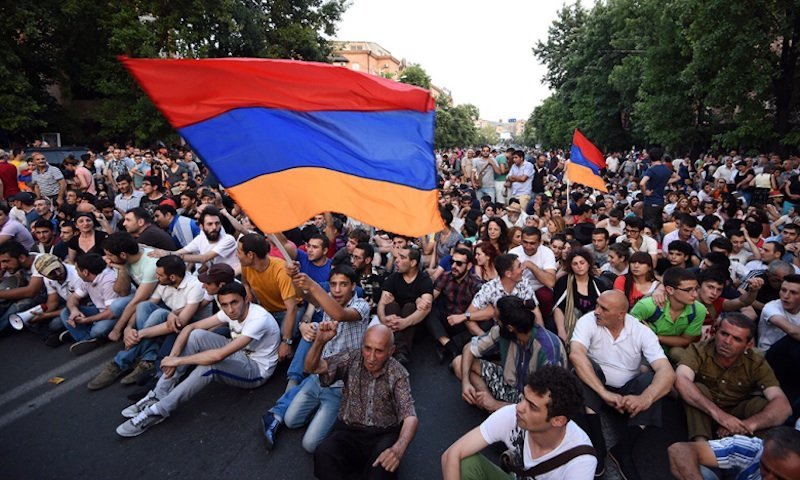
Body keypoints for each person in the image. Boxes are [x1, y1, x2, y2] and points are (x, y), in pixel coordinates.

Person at [116, 282, 280, 437]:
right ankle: (158, 394)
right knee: (195, 336)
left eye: (234, 303)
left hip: (257, 369)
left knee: (209, 368)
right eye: (224, 305)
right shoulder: (229, 311)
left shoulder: (258, 319)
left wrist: (179, 361)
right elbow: (190, 327)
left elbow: (218, 356)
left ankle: (159, 411)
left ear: (246, 299)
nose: (230, 309)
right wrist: (172, 357)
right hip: (240, 353)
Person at [260, 265, 371, 453]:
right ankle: (319, 411)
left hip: (340, 385)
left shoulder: (361, 305)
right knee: (291, 421)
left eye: (343, 284)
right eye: (333, 284)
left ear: (353, 286)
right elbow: (305, 296)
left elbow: (340, 314)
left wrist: (312, 285)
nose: (336, 290)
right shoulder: (327, 299)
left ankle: (341, 413)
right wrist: (295, 279)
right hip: (318, 377)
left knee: (310, 445)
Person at [570, 290, 676, 479]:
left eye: (603, 308)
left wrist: (646, 398)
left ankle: (623, 451)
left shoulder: (641, 331)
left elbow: (666, 370)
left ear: (621, 314)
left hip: (628, 390)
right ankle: (597, 445)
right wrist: (604, 393)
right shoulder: (588, 321)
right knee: (581, 369)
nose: (596, 311)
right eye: (597, 305)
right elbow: (576, 353)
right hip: (597, 385)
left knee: (653, 382)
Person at [441, 365, 596, 480]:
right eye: (524, 398)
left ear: (558, 420)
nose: (520, 407)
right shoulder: (512, 415)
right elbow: (451, 454)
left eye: (532, 407)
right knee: (464, 462)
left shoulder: (580, 462)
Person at [309, 323, 418, 480]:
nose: (371, 358)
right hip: (349, 430)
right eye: (367, 349)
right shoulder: (352, 358)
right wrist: (319, 342)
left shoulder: (398, 373)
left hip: (382, 434)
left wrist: (398, 450)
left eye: (379, 351)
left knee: (382, 468)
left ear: (391, 351)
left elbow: (410, 416)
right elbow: (313, 367)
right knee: (324, 453)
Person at [675, 313, 792, 441]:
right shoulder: (699, 350)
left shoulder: (756, 362)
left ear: (748, 345)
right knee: (695, 389)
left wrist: (746, 425)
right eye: (724, 334)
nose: (727, 342)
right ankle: (701, 446)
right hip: (704, 412)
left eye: (736, 339)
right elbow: (682, 380)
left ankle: (750, 450)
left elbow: (783, 406)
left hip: (737, 414)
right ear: (716, 332)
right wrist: (721, 416)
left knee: (762, 404)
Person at [454, 295, 566, 413]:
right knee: (459, 363)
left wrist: (497, 405)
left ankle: (497, 409)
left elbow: (549, 399)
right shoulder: (504, 331)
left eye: (497, 320)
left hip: (533, 398)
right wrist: (466, 383)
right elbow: (469, 348)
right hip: (511, 384)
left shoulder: (548, 350)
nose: (495, 322)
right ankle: (490, 404)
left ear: (510, 328)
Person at [237, 232, 301, 362]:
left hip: (289, 310)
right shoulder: (246, 266)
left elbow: (291, 309)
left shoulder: (280, 270)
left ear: (250, 255)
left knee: (283, 343)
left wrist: (286, 342)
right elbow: (244, 281)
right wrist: (248, 291)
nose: (236, 255)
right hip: (267, 311)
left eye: (239, 252)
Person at [630, 267, 707, 363]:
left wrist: (655, 336)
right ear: (670, 290)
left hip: (672, 351)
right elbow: (627, 332)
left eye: (696, 289)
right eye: (688, 290)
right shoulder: (648, 306)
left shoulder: (699, 310)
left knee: (678, 353)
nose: (695, 294)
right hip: (643, 349)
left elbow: (687, 340)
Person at [668, 426, 800, 480]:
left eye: (780, 478)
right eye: (765, 468)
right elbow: (679, 450)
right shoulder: (755, 449)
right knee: (696, 471)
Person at [457, 253, 542, 337]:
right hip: (498, 335)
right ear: (508, 274)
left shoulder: (524, 283)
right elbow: (468, 315)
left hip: (522, 333)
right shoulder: (489, 289)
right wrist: (483, 337)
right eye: (519, 266)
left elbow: (536, 312)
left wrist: (542, 336)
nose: (523, 268)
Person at [377, 246, 434, 365]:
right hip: (393, 323)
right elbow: (382, 303)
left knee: (410, 307)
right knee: (391, 306)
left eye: (402, 257)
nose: (397, 260)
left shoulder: (424, 280)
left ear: (413, 262)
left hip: (415, 327)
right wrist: (383, 319)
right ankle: (401, 352)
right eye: (397, 256)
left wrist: (405, 322)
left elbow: (426, 309)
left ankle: (398, 351)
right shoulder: (393, 278)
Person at [427, 247, 483, 364]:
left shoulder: (475, 283)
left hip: (463, 322)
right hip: (447, 319)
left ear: (468, 266)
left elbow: (481, 310)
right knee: (428, 309)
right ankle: (449, 345)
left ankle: (448, 345)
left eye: (459, 264)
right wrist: (422, 300)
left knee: (483, 323)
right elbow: (433, 296)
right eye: (452, 262)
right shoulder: (446, 276)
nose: (453, 266)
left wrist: (464, 317)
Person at [60, 253, 121, 355]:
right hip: (100, 310)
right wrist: (74, 310)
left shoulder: (108, 281)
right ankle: (87, 338)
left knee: (98, 330)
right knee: (65, 312)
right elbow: (73, 297)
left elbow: (111, 312)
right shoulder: (86, 280)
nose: (76, 273)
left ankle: (87, 335)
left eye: (77, 270)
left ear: (85, 272)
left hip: (116, 315)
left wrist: (86, 320)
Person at [150, 206, 240, 274]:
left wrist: (168, 254)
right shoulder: (201, 238)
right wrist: (162, 253)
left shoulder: (228, 239)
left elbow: (204, 258)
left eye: (217, 223)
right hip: (215, 278)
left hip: (233, 277)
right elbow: (181, 252)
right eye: (210, 224)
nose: (214, 227)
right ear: (201, 226)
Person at [553, 248, 608, 344]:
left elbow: (606, 309)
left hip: (594, 326)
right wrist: (561, 330)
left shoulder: (598, 284)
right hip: (569, 324)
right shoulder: (563, 283)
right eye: (575, 264)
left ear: (589, 263)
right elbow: (558, 308)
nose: (579, 266)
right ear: (571, 266)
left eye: (582, 263)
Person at [758, 274, 800, 396]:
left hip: (794, 361)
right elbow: (792, 331)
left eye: (793, 292)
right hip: (770, 356)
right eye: (783, 290)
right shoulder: (771, 307)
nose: (786, 296)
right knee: (792, 340)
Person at [509, 227, 557, 320]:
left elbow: (550, 282)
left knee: (546, 296)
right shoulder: (513, 253)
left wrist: (531, 266)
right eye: (525, 242)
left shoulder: (547, 253)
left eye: (532, 243)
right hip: (518, 288)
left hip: (539, 288)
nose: (528, 246)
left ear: (539, 243)